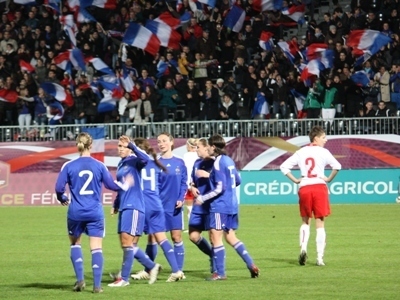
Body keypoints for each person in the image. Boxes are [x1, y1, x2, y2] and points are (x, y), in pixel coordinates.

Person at [54, 132, 132, 293]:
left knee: (75, 244)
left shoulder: (68, 166)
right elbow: (111, 185)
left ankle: (80, 280)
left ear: (78, 145)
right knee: (96, 247)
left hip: (76, 212)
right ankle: (97, 286)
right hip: (95, 212)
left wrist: (61, 197)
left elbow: (58, 187)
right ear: (91, 146)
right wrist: (124, 185)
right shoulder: (99, 165)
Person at [193, 134, 259, 280]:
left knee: (215, 238)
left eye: (209, 146)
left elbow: (219, 188)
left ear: (213, 147)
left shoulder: (217, 163)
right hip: (232, 204)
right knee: (231, 237)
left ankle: (220, 273)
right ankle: (250, 264)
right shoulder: (229, 160)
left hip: (220, 206)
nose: (208, 148)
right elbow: (238, 180)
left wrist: (202, 198)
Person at [279, 126, 342, 266]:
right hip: (319, 187)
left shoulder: (301, 152)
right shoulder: (324, 152)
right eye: (323, 137)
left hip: (305, 187)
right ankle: (319, 258)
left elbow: (283, 167)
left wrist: (295, 180)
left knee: (305, 221)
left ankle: (303, 249)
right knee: (320, 222)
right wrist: (328, 179)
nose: (326, 140)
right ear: (316, 138)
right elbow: (337, 166)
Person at [108, 135, 161, 287]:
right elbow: (121, 186)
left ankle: (126, 278)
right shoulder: (121, 163)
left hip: (134, 206)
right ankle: (146, 268)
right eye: (119, 146)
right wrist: (116, 204)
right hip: (125, 206)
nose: (120, 148)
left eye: (123, 146)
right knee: (126, 244)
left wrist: (132, 145)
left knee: (128, 243)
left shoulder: (134, 160)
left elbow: (145, 159)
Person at [130, 138, 184, 282]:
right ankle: (176, 270)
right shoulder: (156, 164)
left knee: (129, 242)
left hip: (145, 205)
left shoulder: (137, 165)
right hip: (157, 205)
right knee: (160, 238)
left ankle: (129, 274)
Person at [157, 132, 188, 275]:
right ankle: (148, 268)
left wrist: (181, 198)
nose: (161, 144)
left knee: (176, 237)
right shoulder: (155, 163)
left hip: (175, 206)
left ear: (171, 142)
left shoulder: (180, 162)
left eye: (164, 141)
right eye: (159, 142)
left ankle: (178, 271)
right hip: (159, 207)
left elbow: (183, 183)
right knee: (156, 238)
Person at [188, 138, 214, 272]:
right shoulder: (197, 162)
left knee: (213, 236)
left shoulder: (215, 162)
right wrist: (192, 187)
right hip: (198, 204)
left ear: (206, 147)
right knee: (193, 235)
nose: (196, 149)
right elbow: (193, 180)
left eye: (198, 147)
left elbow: (223, 181)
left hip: (211, 204)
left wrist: (208, 175)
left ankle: (217, 267)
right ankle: (212, 255)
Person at [183, 138, 199, 225]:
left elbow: (187, 170)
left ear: (189, 146)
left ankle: (191, 224)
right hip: (198, 183)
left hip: (189, 182)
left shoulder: (186, 155)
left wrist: (188, 183)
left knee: (189, 206)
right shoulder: (199, 155)